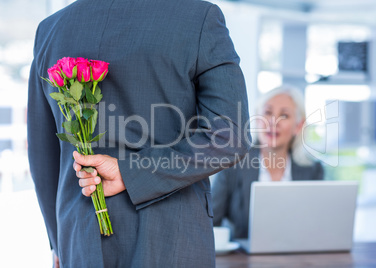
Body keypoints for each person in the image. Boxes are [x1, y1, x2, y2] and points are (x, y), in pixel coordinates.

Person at [27, 0, 251, 267]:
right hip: (171, 241)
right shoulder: (199, 18)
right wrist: (132, 173)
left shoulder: (52, 28)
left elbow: (43, 155)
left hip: (78, 240)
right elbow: (229, 136)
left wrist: (59, 243)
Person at [212, 85, 324, 239]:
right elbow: (210, 223)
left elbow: (318, 227)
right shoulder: (232, 164)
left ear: (298, 126)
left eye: (284, 115)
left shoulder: (313, 170)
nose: (273, 121)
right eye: (268, 112)